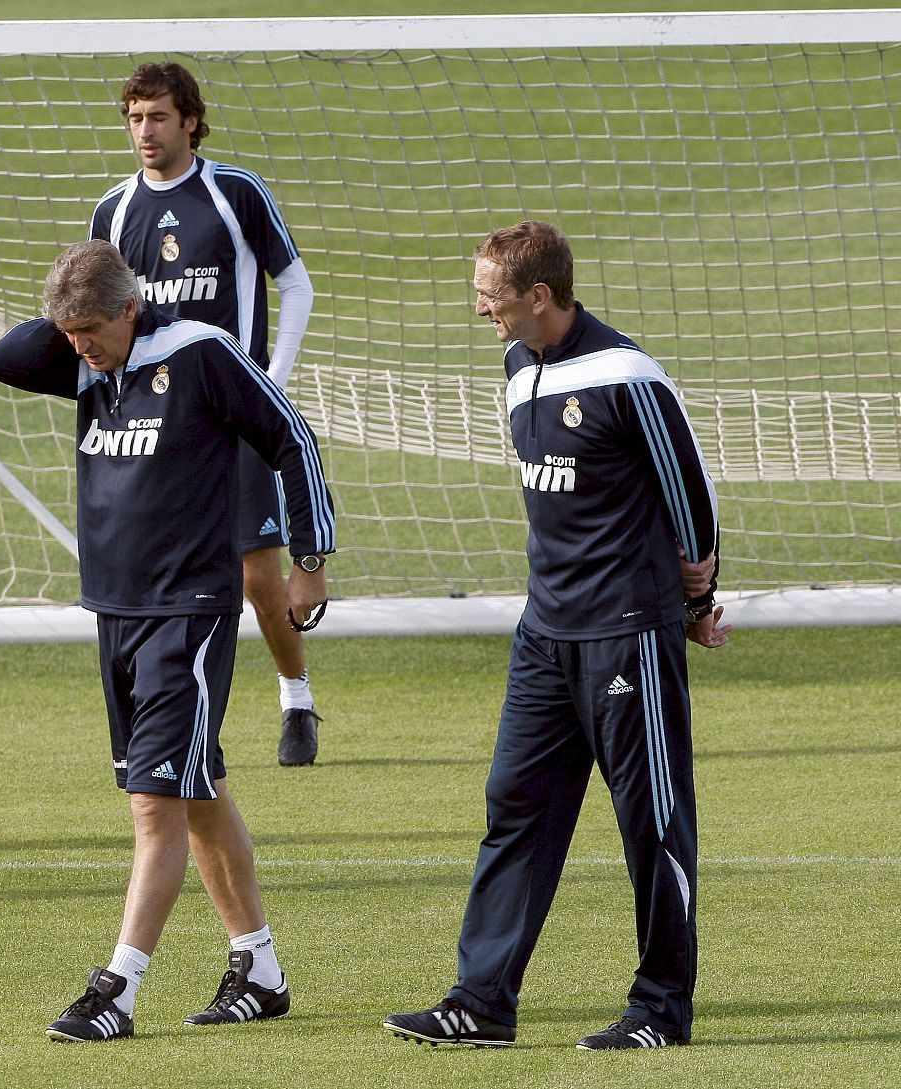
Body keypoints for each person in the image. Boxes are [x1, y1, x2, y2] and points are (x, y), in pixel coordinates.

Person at [383, 221, 732, 1051]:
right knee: (516, 807)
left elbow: (693, 497)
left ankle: (661, 1008)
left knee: (652, 821)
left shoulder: (627, 375)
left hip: (627, 634)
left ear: (538, 295)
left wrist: (699, 596)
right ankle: (482, 1001)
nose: (480, 309)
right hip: (544, 633)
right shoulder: (515, 367)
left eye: (490, 295)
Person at [0, 239, 336, 1041]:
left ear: (132, 308)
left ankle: (117, 986)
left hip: (189, 608)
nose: (80, 349)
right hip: (116, 609)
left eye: (92, 332)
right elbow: (5, 357)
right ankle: (261, 966)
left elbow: (294, 441)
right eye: (69, 335)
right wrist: (73, 318)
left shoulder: (201, 353)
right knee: (195, 787)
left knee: (156, 802)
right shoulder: (86, 361)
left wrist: (308, 561)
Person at [91, 62, 324, 767]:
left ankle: (297, 698)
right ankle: (179, 718)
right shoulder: (115, 210)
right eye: (134, 118)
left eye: (157, 116)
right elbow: (97, 310)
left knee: (257, 577)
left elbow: (296, 284)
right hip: (155, 428)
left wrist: (267, 383)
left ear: (189, 119)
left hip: (232, 421)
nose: (145, 131)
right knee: (164, 573)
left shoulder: (235, 192)